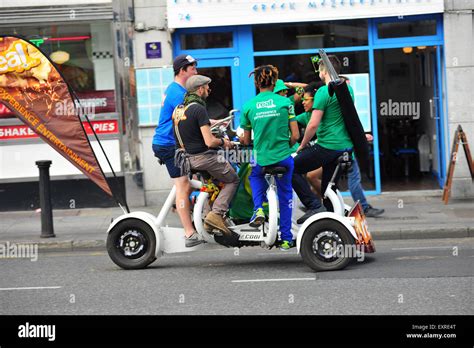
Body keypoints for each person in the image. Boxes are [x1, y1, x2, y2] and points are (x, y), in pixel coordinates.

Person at [240, 65, 299, 251]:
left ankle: (258, 208)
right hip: (283, 157)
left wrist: (245, 139)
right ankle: (287, 239)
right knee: (286, 195)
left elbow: (247, 140)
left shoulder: (248, 107)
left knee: (255, 175)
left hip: (261, 158)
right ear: (274, 82)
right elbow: (296, 136)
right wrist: (285, 146)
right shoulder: (285, 103)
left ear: (257, 83)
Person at [173, 75, 240, 238]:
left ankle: (207, 218)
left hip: (186, 159)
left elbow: (189, 132)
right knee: (233, 179)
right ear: (200, 88)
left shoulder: (179, 109)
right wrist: (224, 142)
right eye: (207, 87)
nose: (209, 90)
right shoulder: (198, 109)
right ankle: (216, 214)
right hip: (204, 157)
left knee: (213, 184)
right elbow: (209, 142)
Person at [292, 55, 354, 224]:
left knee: (292, 168)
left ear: (324, 70)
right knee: (328, 188)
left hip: (328, 146)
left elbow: (312, 125)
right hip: (345, 147)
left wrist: (302, 146)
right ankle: (331, 221)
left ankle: (313, 206)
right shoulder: (348, 89)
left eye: (319, 69)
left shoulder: (323, 92)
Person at [151, 54, 198, 246]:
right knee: (183, 185)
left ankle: (184, 207)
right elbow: (193, 120)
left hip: (172, 143)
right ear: (182, 71)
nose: (196, 71)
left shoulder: (176, 89)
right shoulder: (179, 93)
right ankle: (189, 233)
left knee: (195, 178)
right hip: (168, 145)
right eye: (193, 68)